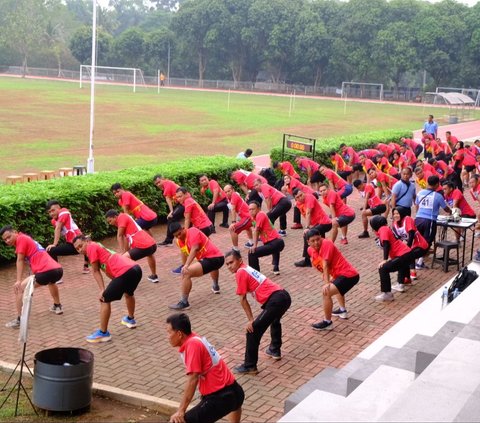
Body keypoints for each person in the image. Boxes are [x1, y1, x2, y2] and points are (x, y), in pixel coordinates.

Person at [166, 313, 244, 423]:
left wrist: (181, 410)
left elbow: (193, 379)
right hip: (236, 392)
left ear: (179, 334)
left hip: (220, 398)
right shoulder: (195, 338)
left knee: (177, 421)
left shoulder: (192, 345)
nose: (167, 336)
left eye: (169, 332)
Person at [225, 250, 291, 374]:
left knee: (252, 331)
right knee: (274, 319)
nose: (229, 266)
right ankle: (274, 349)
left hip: (276, 300)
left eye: (231, 262)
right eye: (227, 264)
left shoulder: (241, 272)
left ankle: (250, 365)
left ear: (240, 261)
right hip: (284, 296)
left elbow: (243, 299)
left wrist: (251, 320)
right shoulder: (245, 269)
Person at [73, 235, 142, 342]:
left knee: (104, 299)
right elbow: (109, 270)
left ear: (87, 241)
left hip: (125, 271)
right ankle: (130, 319)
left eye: (80, 246)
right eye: (77, 249)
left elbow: (96, 270)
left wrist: (102, 290)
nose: (80, 250)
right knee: (128, 293)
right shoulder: (97, 246)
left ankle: (103, 333)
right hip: (136, 269)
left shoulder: (91, 247)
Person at [1, 225, 64, 328]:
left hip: (45, 272)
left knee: (19, 288)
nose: (7, 240)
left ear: (15, 232)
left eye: (9, 237)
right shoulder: (26, 238)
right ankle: (57, 306)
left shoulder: (21, 239)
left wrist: (18, 280)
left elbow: (20, 260)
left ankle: (20, 320)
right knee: (51, 282)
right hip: (57, 270)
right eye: (5, 240)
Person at [306, 229, 359, 330]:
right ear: (308, 242)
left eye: (318, 239)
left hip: (349, 275)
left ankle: (327, 322)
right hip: (339, 275)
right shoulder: (310, 250)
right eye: (313, 241)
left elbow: (325, 264)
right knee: (336, 286)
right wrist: (329, 277)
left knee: (326, 292)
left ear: (321, 237)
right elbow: (319, 264)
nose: (316, 242)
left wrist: (327, 283)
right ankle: (342, 310)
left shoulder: (326, 243)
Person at [168, 222, 224, 310]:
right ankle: (215, 286)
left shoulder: (192, 231)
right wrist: (184, 265)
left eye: (179, 233)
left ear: (183, 228)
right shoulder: (179, 241)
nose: (179, 236)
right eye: (176, 236)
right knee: (210, 267)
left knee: (186, 273)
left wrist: (186, 265)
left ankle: (184, 302)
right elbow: (184, 252)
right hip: (211, 259)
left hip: (216, 258)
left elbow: (195, 248)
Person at [105, 209, 159, 283]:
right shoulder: (124, 218)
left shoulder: (121, 217)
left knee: (122, 260)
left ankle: (128, 282)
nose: (110, 223)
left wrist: (122, 253)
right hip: (151, 244)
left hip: (144, 245)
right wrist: (125, 251)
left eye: (110, 221)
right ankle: (154, 276)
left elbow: (120, 236)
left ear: (115, 217)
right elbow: (126, 238)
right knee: (149, 254)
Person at [369, 216, 413, 302]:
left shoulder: (383, 229)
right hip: (407, 253)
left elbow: (386, 244)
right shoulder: (385, 228)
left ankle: (387, 294)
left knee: (383, 268)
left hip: (404, 254)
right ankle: (402, 283)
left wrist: (385, 260)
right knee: (400, 264)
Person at [414, 175, 451, 269]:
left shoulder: (420, 192)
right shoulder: (438, 196)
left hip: (418, 219)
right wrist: (451, 212)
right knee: (427, 241)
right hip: (429, 221)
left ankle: (415, 260)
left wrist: (418, 214)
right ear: (437, 184)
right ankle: (419, 262)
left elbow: (416, 205)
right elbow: (446, 208)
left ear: (427, 183)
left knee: (417, 240)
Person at [45, 200, 89, 275]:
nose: (51, 213)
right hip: (71, 245)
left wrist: (54, 244)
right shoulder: (53, 221)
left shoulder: (64, 211)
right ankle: (57, 274)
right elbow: (61, 230)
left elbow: (58, 228)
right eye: (49, 212)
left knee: (87, 241)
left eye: (53, 210)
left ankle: (86, 265)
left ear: (59, 208)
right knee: (51, 250)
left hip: (79, 243)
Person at [292, 188, 332, 267]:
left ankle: (307, 260)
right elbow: (298, 208)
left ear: (304, 193)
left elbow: (308, 212)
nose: (301, 197)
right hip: (317, 224)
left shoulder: (309, 197)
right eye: (298, 197)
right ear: (295, 198)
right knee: (320, 241)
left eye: (301, 195)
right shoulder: (298, 203)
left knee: (308, 235)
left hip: (325, 223)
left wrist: (307, 227)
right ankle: (325, 256)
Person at [391, 207, 429, 283]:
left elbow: (411, 234)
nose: (395, 215)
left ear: (401, 214)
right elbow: (398, 238)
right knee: (404, 256)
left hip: (421, 246)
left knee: (406, 256)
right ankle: (407, 277)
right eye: (394, 214)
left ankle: (410, 275)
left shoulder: (407, 219)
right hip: (411, 246)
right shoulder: (394, 224)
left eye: (397, 213)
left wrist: (407, 249)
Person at [247, 201, 285, 275]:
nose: (251, 211)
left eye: (253, 209)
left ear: (259, 209)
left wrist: (254, 245)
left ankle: (256, 276)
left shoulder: (260, 214)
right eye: (250, 209)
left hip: (276, 242)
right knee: (272, 246)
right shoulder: (254, 218)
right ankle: (276, 267)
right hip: (276, 242)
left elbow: (256, 230)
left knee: (252, 253)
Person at [153, 174, 182, 246]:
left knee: (171, 218)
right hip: (182, 203)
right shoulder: (167, 183)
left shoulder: (167, 184)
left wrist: (171, 211)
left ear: (163, 179)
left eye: (159, 182)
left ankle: (170, 240)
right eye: (156, 184)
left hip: (184, 203)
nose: (158, 185)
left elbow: (168, 199)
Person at [223, 184, 254, 250]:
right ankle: (251, 242)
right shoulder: (229, 198)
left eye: (229, 191)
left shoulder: (234, 195)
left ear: (233, 190)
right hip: (247, 217)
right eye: (225, 192)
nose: (227, 193)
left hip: (248, 217)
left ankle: (235, 249)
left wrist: (233, 222)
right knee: (247, 227)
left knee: (233, 229)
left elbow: (233, 209)